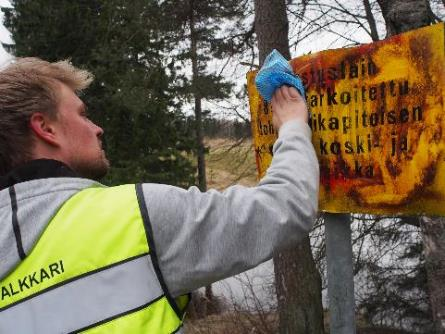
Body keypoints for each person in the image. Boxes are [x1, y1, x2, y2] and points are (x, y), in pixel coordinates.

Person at [0, 58, 319, 333]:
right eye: (82, 114)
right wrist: (292, 126)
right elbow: (285, 205)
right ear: (46, 128)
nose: (97, 128)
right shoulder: (132, 220)